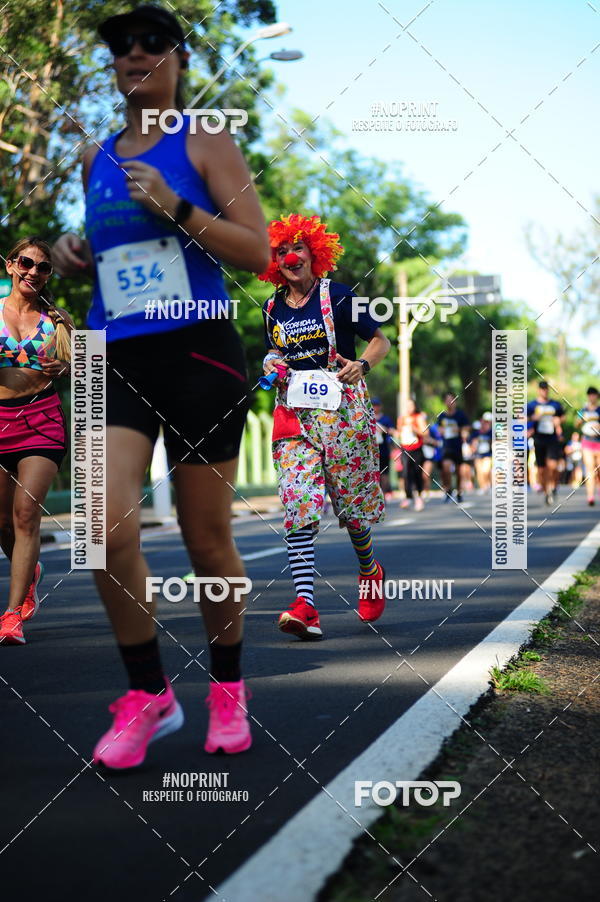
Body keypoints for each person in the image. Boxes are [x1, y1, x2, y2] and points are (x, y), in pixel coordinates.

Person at [52, 4, 270, 766]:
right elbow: (105, 249)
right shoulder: (95, 157)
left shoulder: (205, 142)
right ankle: (150, 695)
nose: (133, 54)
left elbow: (258, 253)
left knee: (206, 539)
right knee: (101, 529)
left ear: (178, 57)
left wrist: (177, 207)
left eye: (150, 42)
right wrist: (72, 250)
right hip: (117, 353)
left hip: (199, 354)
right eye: (119, 46)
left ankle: (228, 692)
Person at [260, 214, 390, 639]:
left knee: (351, 509)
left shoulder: (339, 295)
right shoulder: (271, 306)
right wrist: (271, 363)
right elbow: (272, 353)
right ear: (274, 261)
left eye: (298, 249)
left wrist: (362, 363)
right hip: (293, 414)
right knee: (298, 502)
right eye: (282, 252)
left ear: (314, 254)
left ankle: (370, 571)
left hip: (342, 411)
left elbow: (380, 340)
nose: (291, 257)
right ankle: (305, 605)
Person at [0, 238, 72, 645]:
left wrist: (64, 365)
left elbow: (92, 370)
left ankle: (11, 616)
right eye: (26, 263)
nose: (33, 272)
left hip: (42, 421)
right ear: (12, 265)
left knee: (26, 514)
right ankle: (28, 575)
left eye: (43, 267)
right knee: (3, 523)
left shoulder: (58, 319)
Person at [526, 380, 564, 505]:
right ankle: (546, 490)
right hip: (539, 439)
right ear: (539, 390)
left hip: (552, 439)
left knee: (552, 466)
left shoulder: (555, 405)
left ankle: (552, 488)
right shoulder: (532, 405)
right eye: (542, 388)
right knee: (541, 469)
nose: (544, 390)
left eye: (546, 388)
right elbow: (521, 418)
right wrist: (532, 418)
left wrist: (559, 420)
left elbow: (562, 416)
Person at [437, 392, 469, 503]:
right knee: (446, 468)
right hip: (446, 446)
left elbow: (467, 427)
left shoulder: (460, 415)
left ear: (455, 402)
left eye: (452, 400)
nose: (450, 402)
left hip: (457, 446)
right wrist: (441, 430)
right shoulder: (442, 415)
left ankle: (459, 491)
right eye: (447, 400)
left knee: (459, 471)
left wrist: (460, 430)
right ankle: (448, 489)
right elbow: (439, 429)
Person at [397, 398, 427, 511]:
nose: (409, 408)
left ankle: (419, 496)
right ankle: (408, 496)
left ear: (415, 406)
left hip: (416, 449)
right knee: (405, 473)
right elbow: (399, 432)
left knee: (417, 472)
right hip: (405, 449)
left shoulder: (418, 417)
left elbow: (425, 432)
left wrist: (415, 429)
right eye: (407, 405)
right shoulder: (402, 418)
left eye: (411, 405)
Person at [577, 386, 600, 505]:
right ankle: (590, 496)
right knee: (590, 469)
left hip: (599, 442)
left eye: (594, 394)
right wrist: (581, 419)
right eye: (590, 394)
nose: (592, 396)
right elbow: (576, 424)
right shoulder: (583, 410)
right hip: (587, 442)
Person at [372, 399, 394, 498]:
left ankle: (383, 495)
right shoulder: (368, 417)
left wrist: (383, 429)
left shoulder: (386, 419)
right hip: (371, 451)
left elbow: (393, 431)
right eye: (373, 405)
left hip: (383, 450)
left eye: (377, 405)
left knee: (384, 473)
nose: (375, 407)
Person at [472, 412, 493, 492]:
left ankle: (488, 484)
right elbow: (472, 443)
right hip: (478, 455)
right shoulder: (476, 433)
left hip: (487, 454)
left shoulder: (491, 432)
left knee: (486, 470)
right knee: (480, 472)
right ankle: (483, 487)